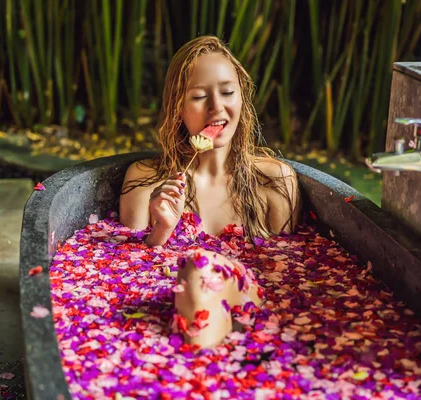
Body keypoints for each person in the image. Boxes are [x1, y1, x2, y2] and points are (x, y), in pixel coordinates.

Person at [119, 35, 300, 348]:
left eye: (228, 92)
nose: (217, 108)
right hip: (168, 312)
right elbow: (123, 274)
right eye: (200, 96)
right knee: (197, 268)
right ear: (177, 109)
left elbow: (287, 273)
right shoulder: (146, 183)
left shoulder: (274, 183)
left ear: (242, 99)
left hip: (248, 309)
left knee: (200, 266)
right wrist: (160, 232)